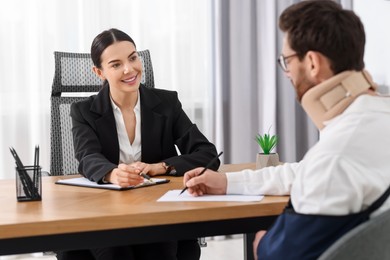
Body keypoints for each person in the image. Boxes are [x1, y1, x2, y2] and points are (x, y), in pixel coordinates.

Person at [183, 1, 390, 259]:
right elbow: (308, 171)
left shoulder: (335, 156)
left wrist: (261, 243)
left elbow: (277, 254)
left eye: (287, 60)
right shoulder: (376, 118)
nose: (287, 72)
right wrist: (228, 181)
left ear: (312, 62)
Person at [57, 28, 220, 260]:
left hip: (157, 210)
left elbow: (207, 154)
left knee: (158, 251)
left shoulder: (166, 103)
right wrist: (112, 174)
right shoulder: (84, 111)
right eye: (115, 64)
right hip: (105, 214)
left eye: (133, 58)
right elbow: (87, 157)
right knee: (116, 252)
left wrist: (161, 166)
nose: (129, 69)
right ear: (99, 72)